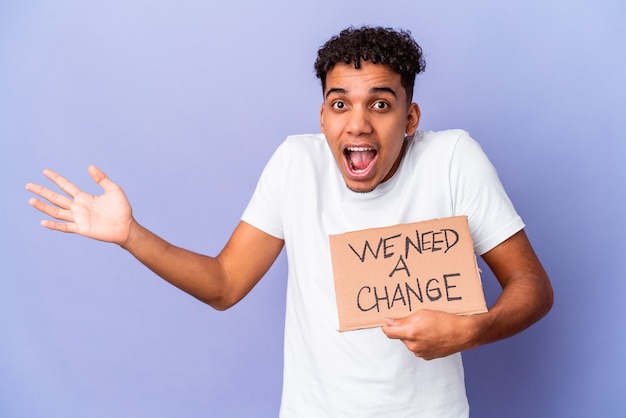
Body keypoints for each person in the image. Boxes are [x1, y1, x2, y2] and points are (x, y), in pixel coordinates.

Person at [26, 26, 553, 417]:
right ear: (322, 115)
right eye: (340, 103)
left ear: (410, 118)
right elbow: (225, 284)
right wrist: (130, 236)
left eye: (381, 104)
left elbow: (532, 286)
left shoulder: (453, 158)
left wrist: (471, 330)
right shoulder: (295, 164)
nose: (358, 123)